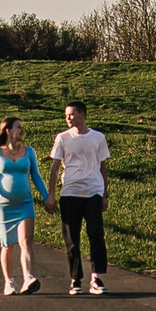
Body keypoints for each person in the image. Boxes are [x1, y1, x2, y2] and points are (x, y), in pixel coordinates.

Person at [50, 100, 112, 295]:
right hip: (69, 193)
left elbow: (102, 166)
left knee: (96, 234)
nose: (67, 118)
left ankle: (96, 277)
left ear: (82, 115)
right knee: (72, 238)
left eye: (71, 114)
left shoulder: (98, 137)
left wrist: (104, 194)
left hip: (93, 191)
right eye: (66, 115)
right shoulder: (62, 138)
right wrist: (51, 194)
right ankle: (75, 279)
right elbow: (55, 167)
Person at [0, 116, 45, 296]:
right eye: (19, 128)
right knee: (8, 244)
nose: (22, 131)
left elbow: (36, 177)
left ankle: (28, 278)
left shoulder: (29, 152)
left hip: (25, 203)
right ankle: (9, 282)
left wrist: (48, 198)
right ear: (8, 130)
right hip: (3, 206)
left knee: (26, 241)